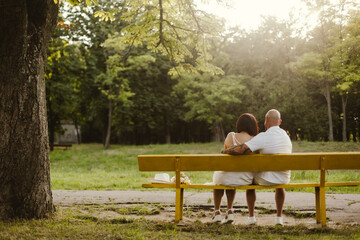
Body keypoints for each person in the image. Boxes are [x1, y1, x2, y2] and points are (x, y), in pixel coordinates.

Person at [221, 109, 292, 226]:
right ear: (279, 122)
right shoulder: (286, 136)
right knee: (280, 184)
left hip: (266, 180)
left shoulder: (263, 136)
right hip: (284, 178)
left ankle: (251, 217)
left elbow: (241, 149)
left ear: (266, 120)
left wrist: (225, 151)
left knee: (251, 179)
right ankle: (279, 218)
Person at [212, 113, 259, 224]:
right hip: (245, 178)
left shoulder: (231, 136)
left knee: (222, 176)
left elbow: (225, 155)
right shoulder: (255, 139)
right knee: (231, 175)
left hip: (227, 177)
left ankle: (217, 212)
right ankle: (229, 210)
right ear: (253, 126)